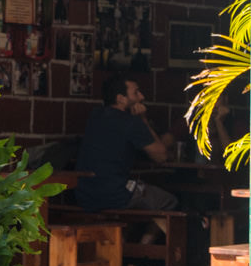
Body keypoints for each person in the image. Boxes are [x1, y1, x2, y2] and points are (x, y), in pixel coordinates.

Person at [73, 75, 179, 213]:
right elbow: (161, 156)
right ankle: (148, 236)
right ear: (120, 99)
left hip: (84, 194)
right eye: (136, 93)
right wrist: (143, 119)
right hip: (114, 195)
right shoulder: (131, 122)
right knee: (170, 202)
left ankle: (130, 235)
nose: (141, 97)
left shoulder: (95, 116)